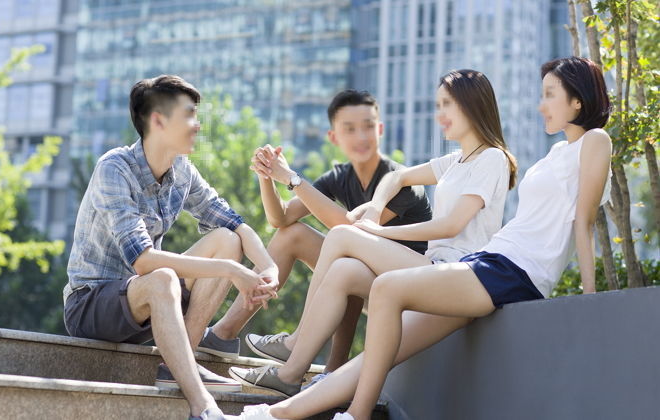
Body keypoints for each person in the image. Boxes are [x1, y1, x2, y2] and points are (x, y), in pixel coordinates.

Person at [233, 56, 612, 420]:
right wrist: (375, 207)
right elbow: (396, 177)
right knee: (371, 333)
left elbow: (584, 221)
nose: (541, 104)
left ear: (577, 100)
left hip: (511, 271)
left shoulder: (594, 141)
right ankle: (279, 411)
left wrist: (591, 299)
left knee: (379, 281)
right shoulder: (556, 151)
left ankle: (345, 401)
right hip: (487, 264)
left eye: (549, 94)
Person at [228, 69, 517, 397]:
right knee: (344, 270)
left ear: (470, 103)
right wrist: (377, 207)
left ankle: (295, 349)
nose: (439, 114)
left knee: (341, 236)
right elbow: (397, 178)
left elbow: (451, 225)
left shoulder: (492, 158)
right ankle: (291, 374)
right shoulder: (456, 161)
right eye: (438, 105)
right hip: (431, 270)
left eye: (446, 104)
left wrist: (380, 232)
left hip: (457, 275)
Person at [63, 75, 279, 420]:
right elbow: (144, 262)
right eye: (189, 115)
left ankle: (178, 362)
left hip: (149, 306)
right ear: (159, 121)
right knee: (162, 276)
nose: (197, 125)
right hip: (92, 305)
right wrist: (231, 270)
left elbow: (234, 223)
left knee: (226, 239)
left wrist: (268, 267)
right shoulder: (115, 169)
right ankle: (203, 408)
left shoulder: (182, 170)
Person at [196, 90, 432, 374]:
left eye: (369, 126)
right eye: (350, 129)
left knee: (348, 258)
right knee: (291, 236)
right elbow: (281, 219)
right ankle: (223, 334)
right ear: (334, 137)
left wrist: (292, 179)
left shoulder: (400, 180)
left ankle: (330, 367)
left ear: (380, 129)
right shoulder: (340, 177)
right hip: (364, 273)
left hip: (404, 286)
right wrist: (267, 177)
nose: (361, 136)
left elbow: (352, 231)